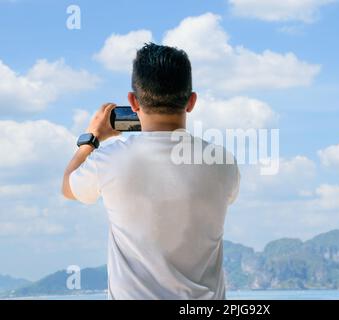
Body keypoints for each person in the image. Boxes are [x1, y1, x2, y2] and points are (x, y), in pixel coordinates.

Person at [61, 43, 240, 300]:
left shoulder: (109, 160)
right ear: (191, 101)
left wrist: (91, 139)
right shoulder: (223, 162)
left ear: (133, 101)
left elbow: (68, 186)